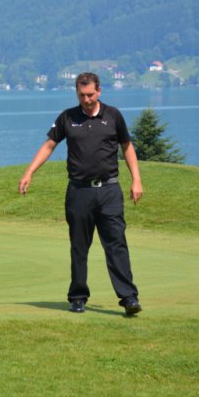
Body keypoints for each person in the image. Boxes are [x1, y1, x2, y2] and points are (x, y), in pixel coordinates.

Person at [18, 72, 143, 316]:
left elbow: (127, 147)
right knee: (79, 247)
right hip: (78, 192)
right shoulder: (67, 117)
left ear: (99, 91)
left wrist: (136, 179)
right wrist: (29, 171)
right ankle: (78, 297)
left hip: (109, 190)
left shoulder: (113, 116)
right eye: (81, 95)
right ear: (77, 93)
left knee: (116, 244)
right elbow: (49, 145)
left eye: (90, 94)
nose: (86, 99)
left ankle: (129, 298)